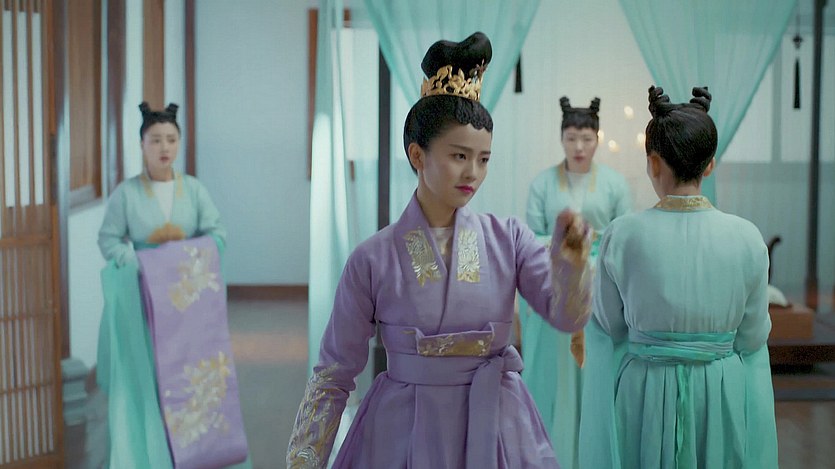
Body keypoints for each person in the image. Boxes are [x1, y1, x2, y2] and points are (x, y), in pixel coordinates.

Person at [286, 32, 593, 469]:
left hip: (497, 427)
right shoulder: (372, 259)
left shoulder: (509, 239)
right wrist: (305, 458)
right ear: (418, 155)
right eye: (459, 156)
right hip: (404, 431)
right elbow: (334, 372)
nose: (473, 173)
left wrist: (571, 264)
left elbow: (567, 317)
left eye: (484, 159)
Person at [578, 86, 777, 468]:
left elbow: (609, 327)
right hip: (720, 390)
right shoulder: (747, 238)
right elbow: (752, 338)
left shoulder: (623, 235)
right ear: (710, 165)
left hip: (645, 389)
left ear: (653, 163)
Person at [96, 102, 249, 468]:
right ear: (142, 145)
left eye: (170, 139)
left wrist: (185, 259)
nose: (163, 147)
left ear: (179, 143)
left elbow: (217, 234)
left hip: (187, 304)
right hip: (144, 299)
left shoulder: (193, 190)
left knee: (191, 378)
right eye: (155, 140)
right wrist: (137, 261)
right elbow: (108, 240)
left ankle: (203, 452)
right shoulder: (126, 194)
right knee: (152, 377)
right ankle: (153, 455)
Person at [520, 96, 631, 468]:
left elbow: (623, 235)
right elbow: (531, 238)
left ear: (597, 139)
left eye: (586, 138)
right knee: (555, 374)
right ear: (561, 139)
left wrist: (594, 259)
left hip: (600, 286)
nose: (579, 146)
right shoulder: (542, 183)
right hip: (557, 281)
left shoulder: (615, 184)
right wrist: (566, 251)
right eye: (571, 138)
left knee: (596, 370)